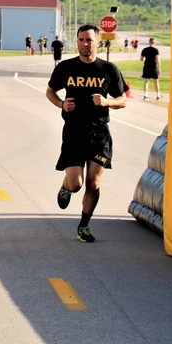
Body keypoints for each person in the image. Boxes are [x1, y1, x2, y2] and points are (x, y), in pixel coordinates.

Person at [45, 24, 127, 243]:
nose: (84, 44)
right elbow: (50, 91)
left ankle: (84, 226)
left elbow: (123, 100)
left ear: (97, 42)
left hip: (99, 133)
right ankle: (65, 187)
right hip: (73, 131)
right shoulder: (66, 67)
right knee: (76, 183)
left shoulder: (108, 70)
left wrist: (107, 101)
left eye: (89, 40)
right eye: (81, 40)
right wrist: (61, 104)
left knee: (94, 183)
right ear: (77, 42)